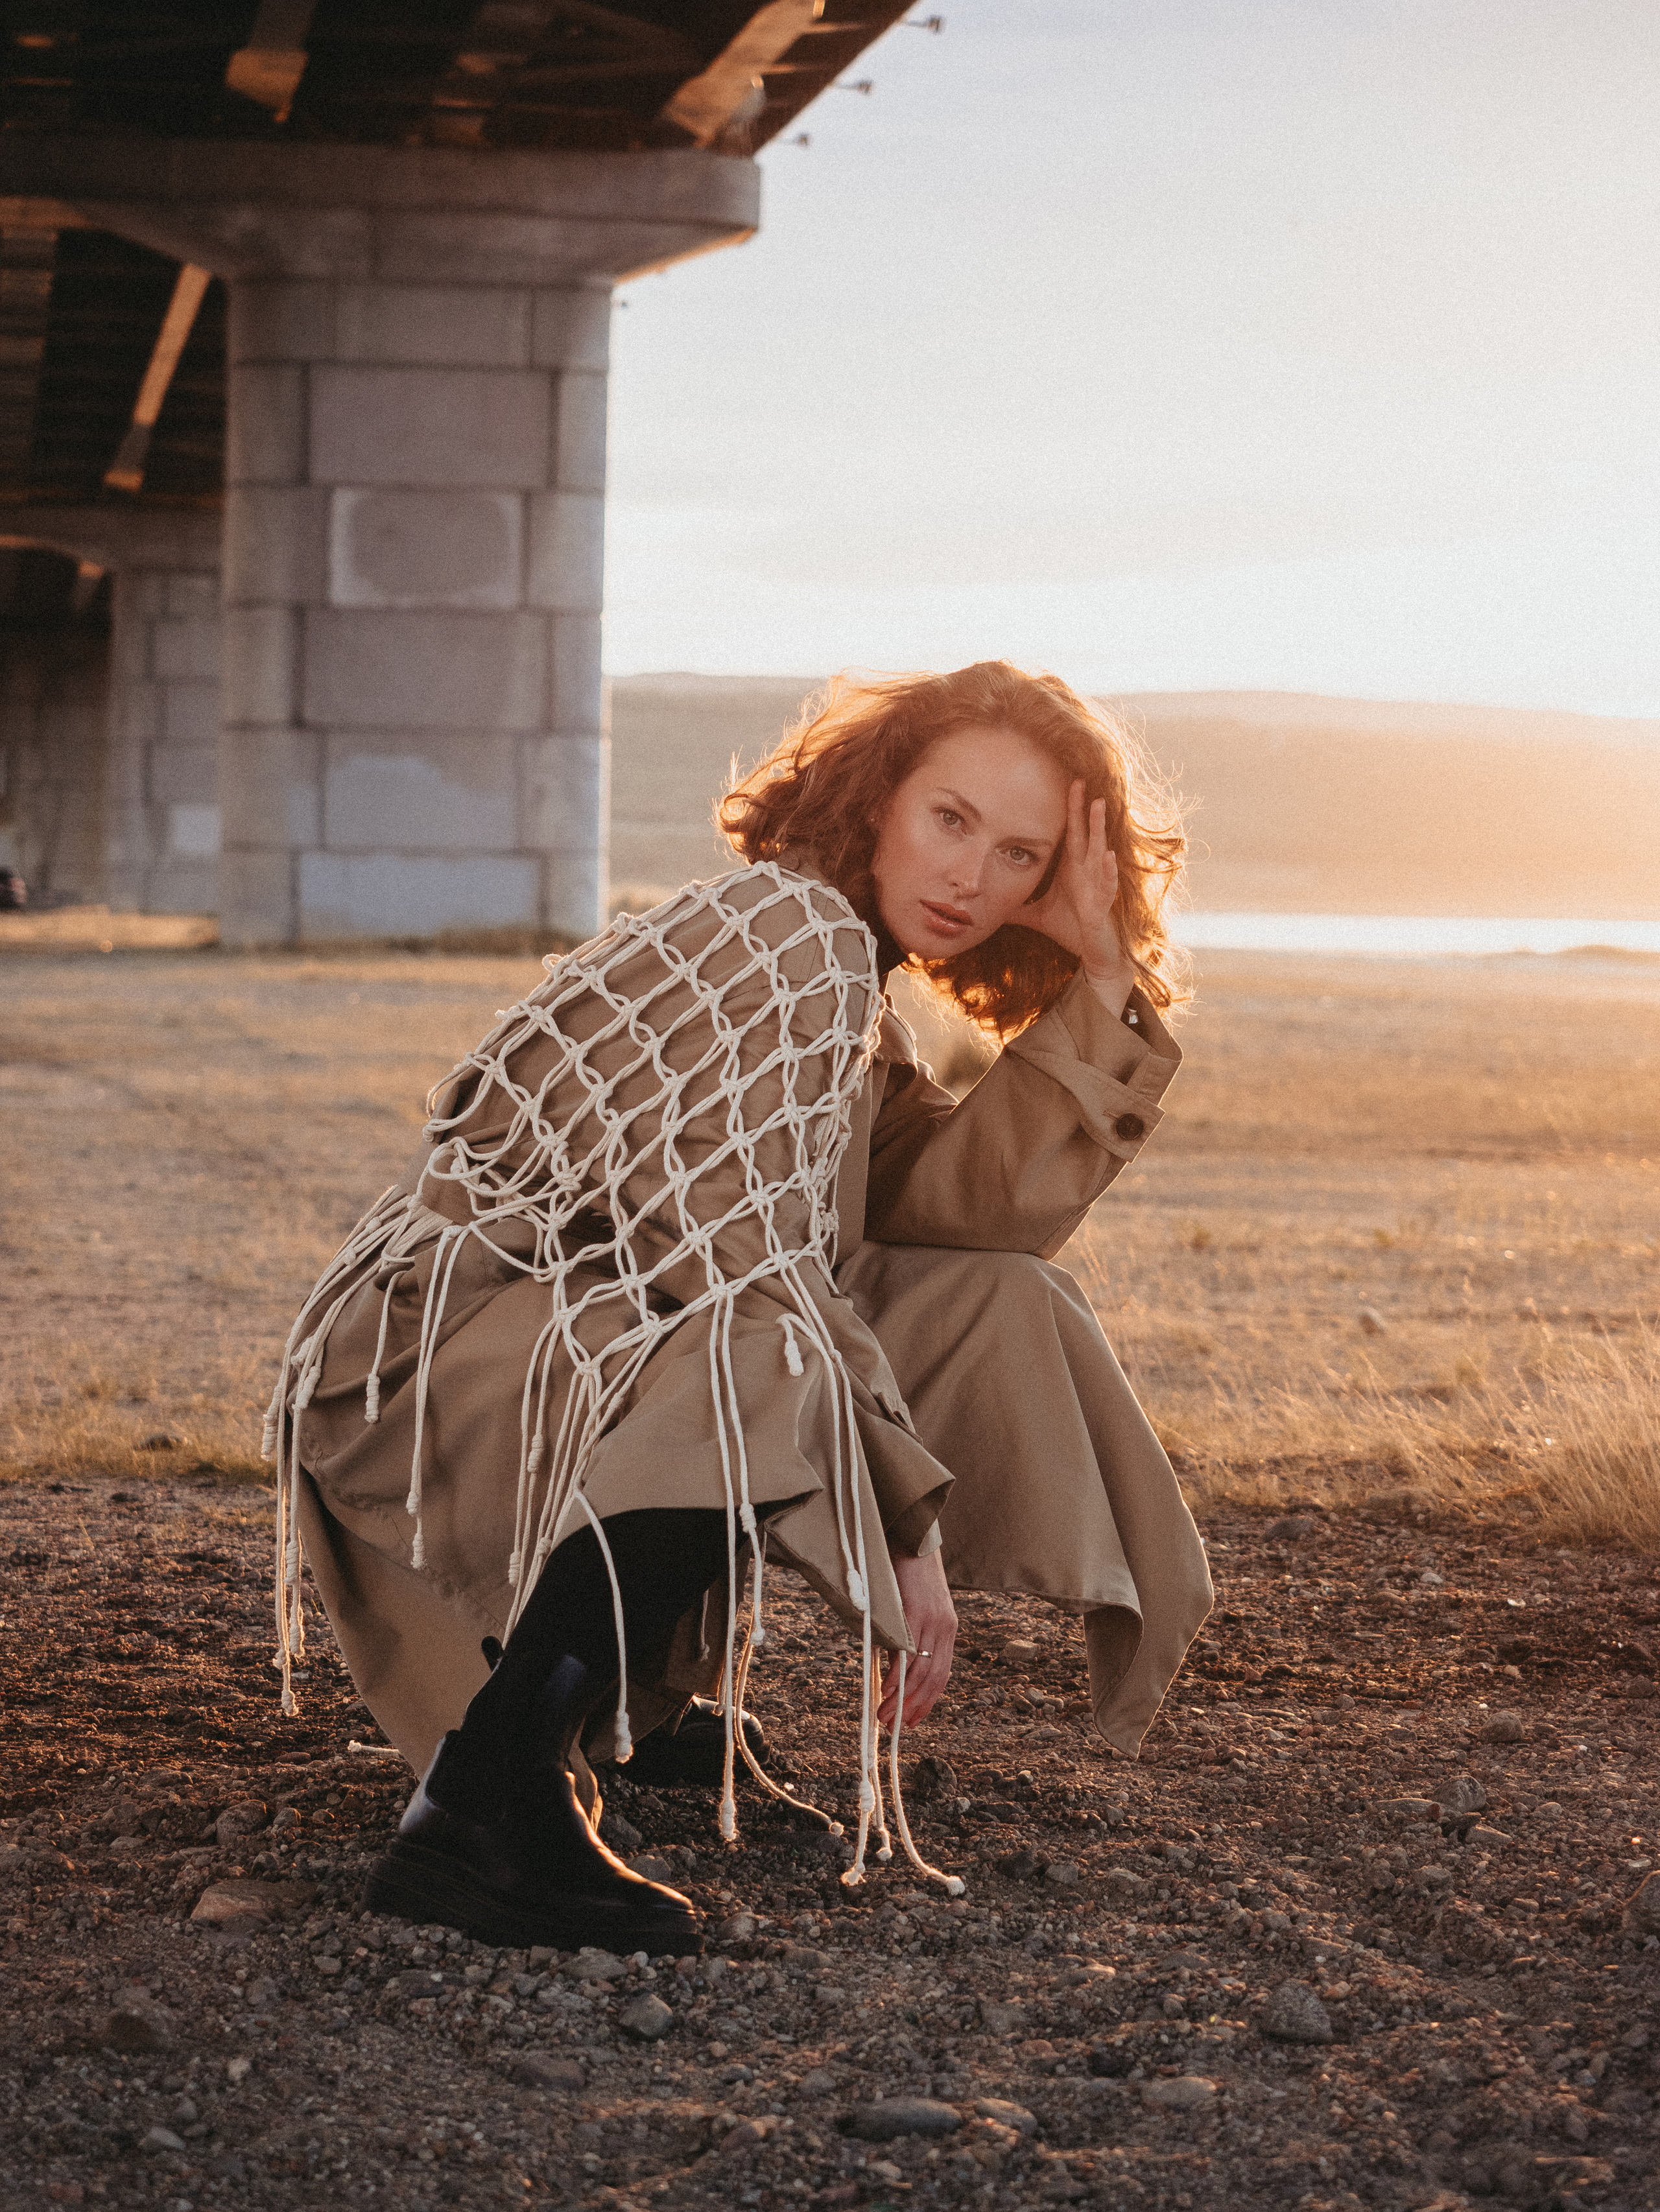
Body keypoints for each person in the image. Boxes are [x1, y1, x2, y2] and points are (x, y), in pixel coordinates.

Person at [266, 660, 1212, 1957]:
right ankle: (486, 1794)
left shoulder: (849, 980)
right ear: (875, 795)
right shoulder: (790, 935)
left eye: (1019, 855)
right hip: (438, 1353)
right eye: (948, 819)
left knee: (998, 1301)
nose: (971, 878)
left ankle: (630, 1703)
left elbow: (954, 1219)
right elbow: (747, 1270)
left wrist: (1099, 970)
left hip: (564, 1330)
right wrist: (905, 1536)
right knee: (762, 1347)